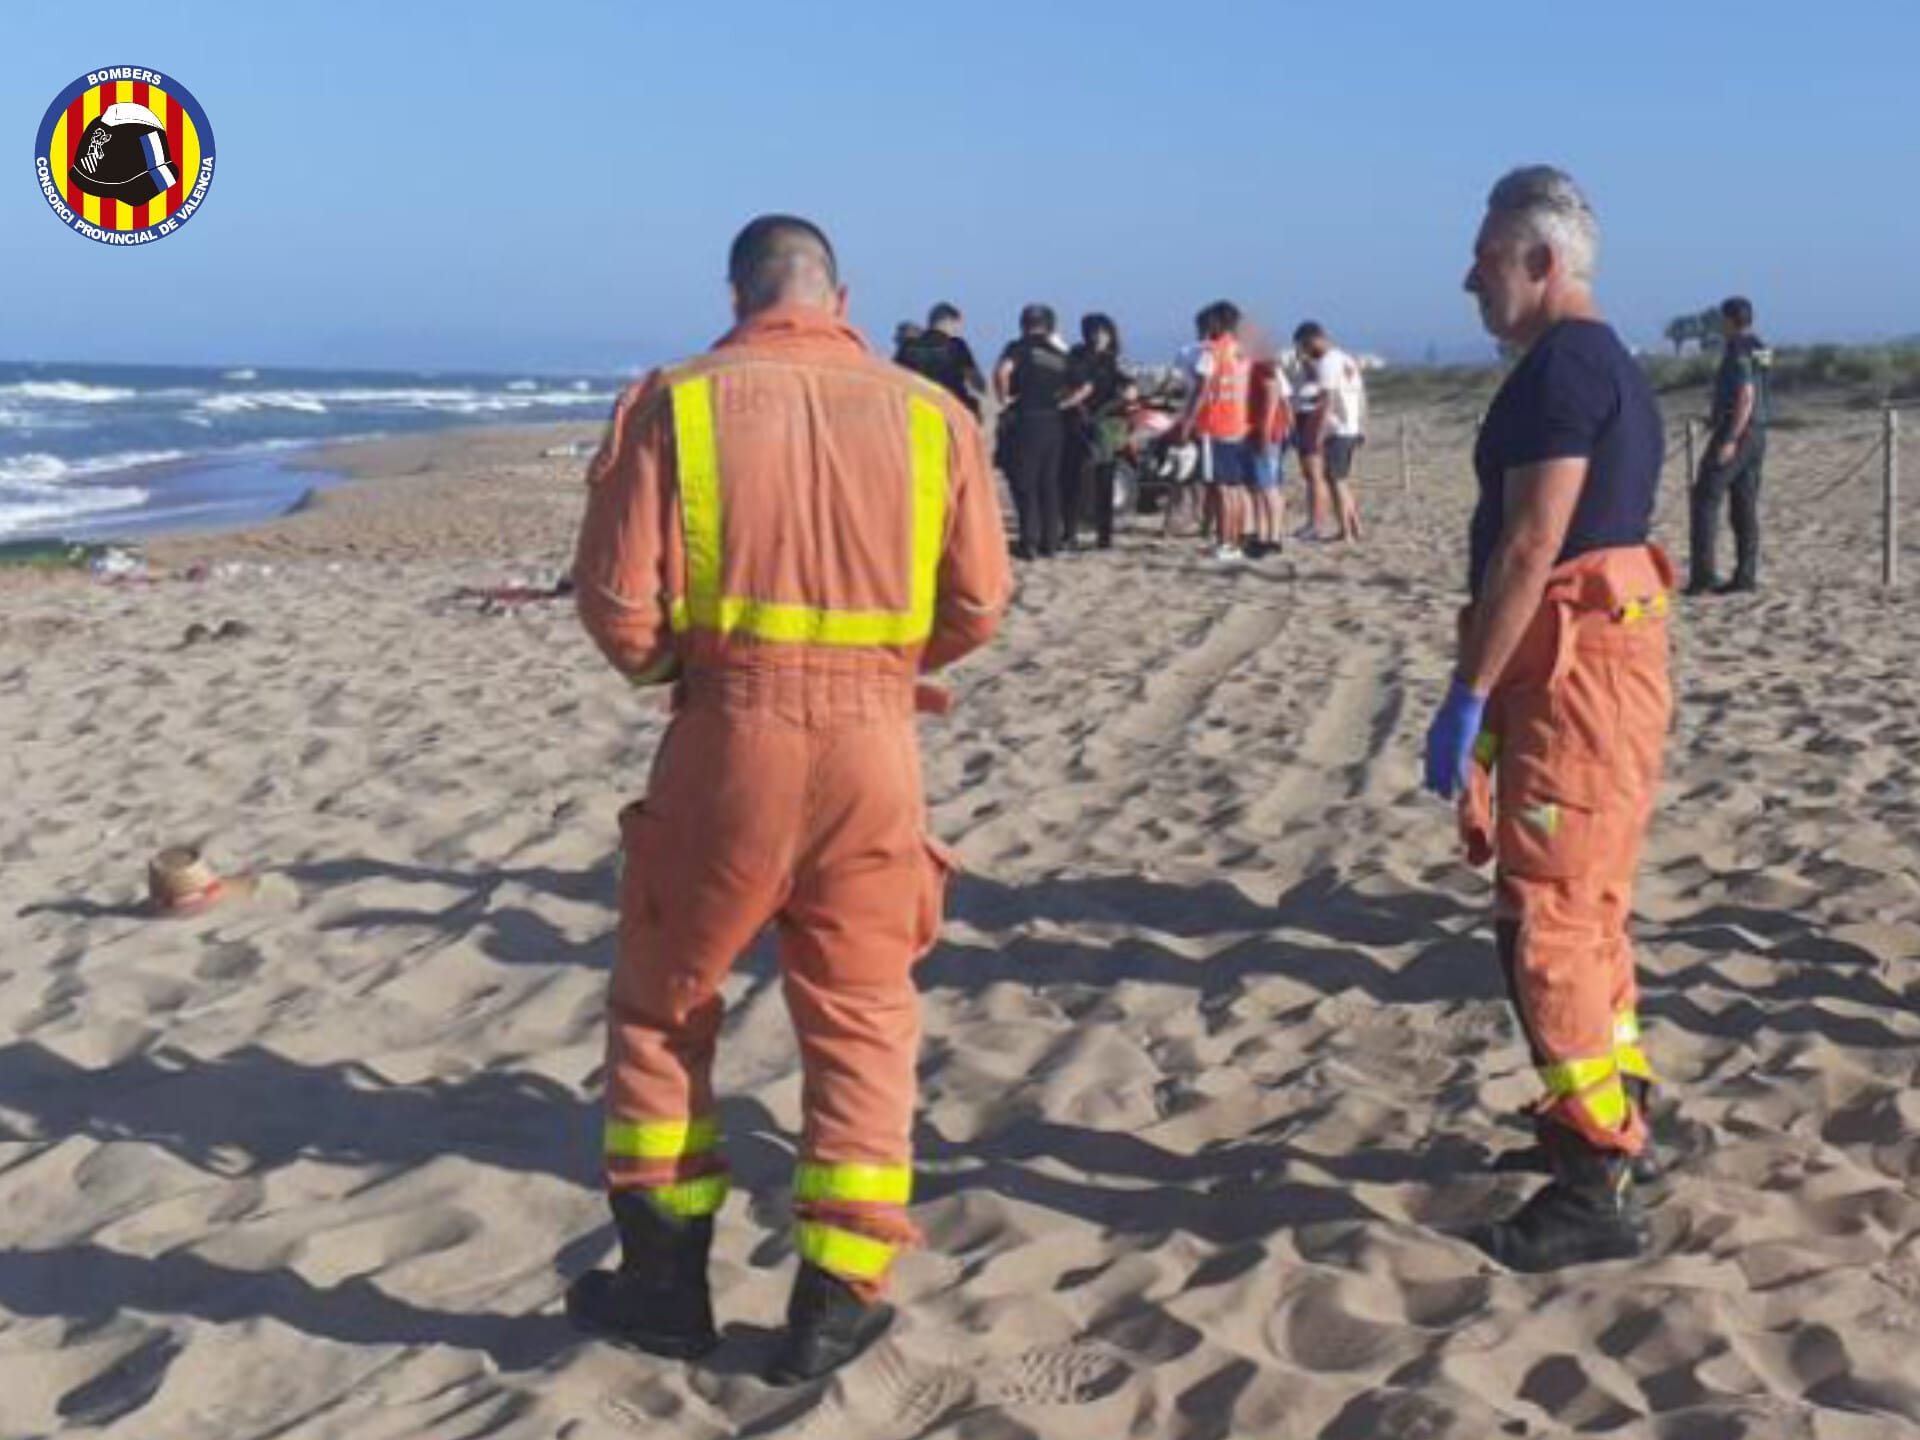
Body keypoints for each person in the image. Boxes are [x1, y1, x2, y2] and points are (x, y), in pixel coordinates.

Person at [569, 214, 1012, 1381]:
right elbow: (979, 603)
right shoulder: (935, 415)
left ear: (736, 292)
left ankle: (665, 1286)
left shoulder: (675, 400)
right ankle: (838, 1294)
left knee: (665, 1008)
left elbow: (617, 607)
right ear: (842, 297)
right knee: (863, 1017)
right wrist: (880, 670)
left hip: (728, 735)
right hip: (876, 748)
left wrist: (687, 671)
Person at [1423, 166, 1673, 1271]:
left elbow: (1536, 543)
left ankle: (1592, 1179)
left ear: (1541, 262)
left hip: (1578, 676)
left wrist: (1468, 690)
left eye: (1484, 257)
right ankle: (1615, 1117)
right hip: (1592, 669)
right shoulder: (1595, 364)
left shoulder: (1565, 370)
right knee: (1591, 909)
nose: (1468, 277)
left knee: (1550, 920)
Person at [1686, 296, 1771, 595]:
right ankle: (1745, 577)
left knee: (1705, 497)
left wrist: (1731, 438)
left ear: (1730, 320)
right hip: (1759, 432)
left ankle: (1703, 575)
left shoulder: (1737, 348)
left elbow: (1746, 394)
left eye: (1722, 319)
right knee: (1744, 504)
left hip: (1739, 431)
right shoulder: (1761, 346)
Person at [994, 304, 1078, 559]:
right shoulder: (1060, 353)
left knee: (1026, 483)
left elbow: (1002, 371)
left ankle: (1029, 542)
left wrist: (1004, 398)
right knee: (1049, 483)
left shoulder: (1017, 348)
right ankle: (1050, 543)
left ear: (1023, 324)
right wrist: (1065, 403)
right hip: (1053, 421)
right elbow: (1083, 386)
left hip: (1026, 420)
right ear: (1050, 325)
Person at [1178, 301, 1256, 561]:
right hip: (1239, 425)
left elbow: (1201, 391)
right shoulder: (1241, 351)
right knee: (1233, 488)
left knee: (1222, 488)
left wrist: (1186, 423)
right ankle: (1233, 541)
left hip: (1215, 424)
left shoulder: (1213, 351)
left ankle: (1225, 543)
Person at [1062, 313, 1132, 549]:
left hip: (1107, 426)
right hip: (1078, 423)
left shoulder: (1114, 361)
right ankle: (1069, 534)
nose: (1097, 337)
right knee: (1071, 480)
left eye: (1102, 332)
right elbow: (1069, 385)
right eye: (1092, 332)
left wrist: (1126, 393)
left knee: (1105, 480)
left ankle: (1105, 536)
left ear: (1110, 334)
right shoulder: (1075, 356)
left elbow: (1128, 390)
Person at [1295, 322, 1367, 542]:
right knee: (1341, 480)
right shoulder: (1346, 359)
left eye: (1305, 345)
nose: (1305, 351)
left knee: (1335, 481)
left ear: (1313, 339)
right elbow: (1361, 396)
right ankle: (1354, 526)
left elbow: (1327, 401)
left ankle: (1346, 531)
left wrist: (1317, 433)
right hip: (1351, 426)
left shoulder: (1328, 362)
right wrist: (1363, 425)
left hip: (1338, 428)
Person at [1246, 334, 1295, 552]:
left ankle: (1273, 538)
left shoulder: (1266, 373)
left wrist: (1265, 436)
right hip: (1265, 433)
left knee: (1267, 488)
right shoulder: (1259, 371)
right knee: (1261, 487)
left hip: (1266, 435)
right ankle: (1264, 535)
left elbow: (1272, 403)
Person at [896, 302, 986, 418]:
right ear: (950, 322)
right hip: (953, 411)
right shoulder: (957, 345)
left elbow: (895, 382)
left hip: (919, 414)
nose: (958, 331)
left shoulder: (907, 348)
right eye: (958, 327)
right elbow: (979, 384)